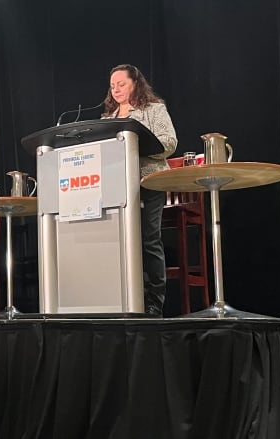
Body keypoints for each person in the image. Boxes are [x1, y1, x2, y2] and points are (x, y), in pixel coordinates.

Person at [102, 64, 178, 317]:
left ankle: (153, 302)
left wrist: (139, 148)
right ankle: (122, 298)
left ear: (135, 83)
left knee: (148, 240)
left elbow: (169, 142)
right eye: (112, 86)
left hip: (149, 182)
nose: (116, 90)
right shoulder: (107, 119)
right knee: (119, 241)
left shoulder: (153, 110)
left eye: (121, 84)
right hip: (117, 186)